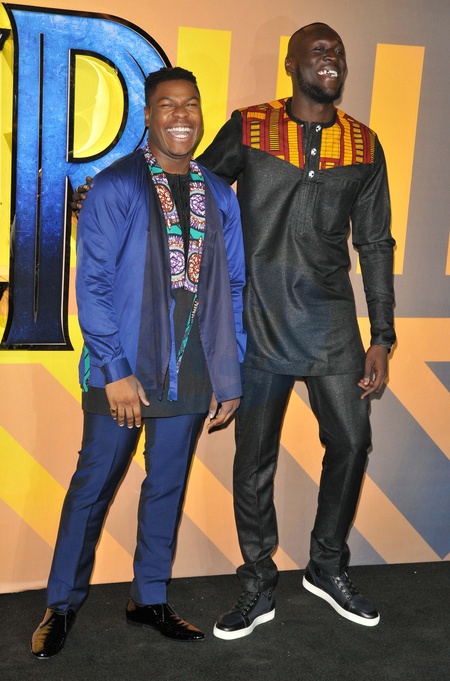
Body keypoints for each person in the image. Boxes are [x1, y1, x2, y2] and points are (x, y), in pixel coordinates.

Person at [31, 66, 246, 658]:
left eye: (190, 104)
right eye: (168, 105)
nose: (181, 115)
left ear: (200, 115)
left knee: (166, 488)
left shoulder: (219, 194)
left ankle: (149, 598)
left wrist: (228, 372)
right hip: (121, 374)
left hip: (191, 370)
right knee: (92, 489)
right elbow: (93, 285)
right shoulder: (116, 186)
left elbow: (233, 285)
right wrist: (114, 371)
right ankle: (60, 605)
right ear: (148, 116)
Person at [196, 22, 396, 639]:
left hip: (331, 322)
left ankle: (326, 565)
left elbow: (375, 242)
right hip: (257, 320)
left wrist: (382, 334)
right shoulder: (250, 126)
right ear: (291, 64)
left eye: (337, 51)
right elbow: (193, 191)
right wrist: (121, 198)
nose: (330, 58)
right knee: (253, 458)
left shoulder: (363, 144)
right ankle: (258, 584)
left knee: (353, 441)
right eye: (318, 51)